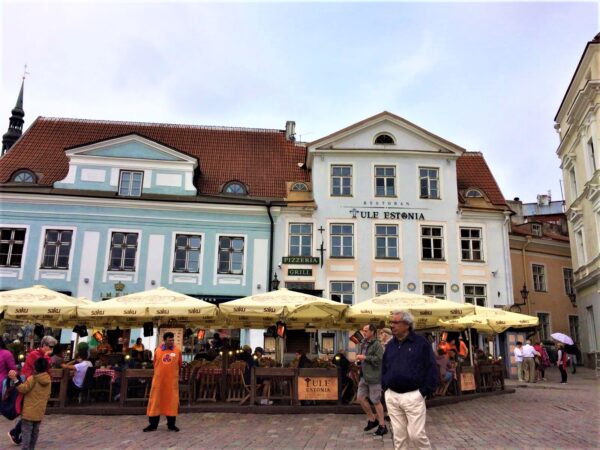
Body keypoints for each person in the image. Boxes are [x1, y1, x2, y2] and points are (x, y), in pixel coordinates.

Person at [382, 310, 438, 450]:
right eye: (391, 322)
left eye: (396, 322)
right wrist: (385, 386)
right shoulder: (390, 345)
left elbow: (431, 368)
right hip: (392, 396)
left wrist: (423, 392)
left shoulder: (421, 343)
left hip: (413, 396)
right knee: (399, 437)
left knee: (416, 435)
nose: (392, 325)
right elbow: (384, 367)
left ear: (407, 324)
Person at [8, 335, 56, 446]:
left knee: (31, 415)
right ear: (44, 345)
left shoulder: (42, 355)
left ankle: (18, 434)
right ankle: (17, 434)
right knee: (27, 414)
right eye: (50, 346)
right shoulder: (34, 354)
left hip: (37, 386)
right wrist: (47, 357)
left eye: (53, 347)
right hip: (30, 383)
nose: (51, 349)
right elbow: (42, 366)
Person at [8, 357, 51, 450]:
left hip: (28, 411)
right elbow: (48, 395)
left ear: (35, 367)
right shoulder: (48, 380)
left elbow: (23, 389)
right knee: (35, 432)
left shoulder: (33, 378)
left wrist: (15, 379)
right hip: (39, 411)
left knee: (26, 432)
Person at [144, 332, 182, 432]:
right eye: (170, 340)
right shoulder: (158, 350)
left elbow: (180, 364)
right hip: (159, 382)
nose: (172, 342)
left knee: (171, 403)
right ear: (164, 340)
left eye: (173, 340)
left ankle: (171, 425)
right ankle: (152, 425)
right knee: (156, 403)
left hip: (171, 382)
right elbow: (155, 363)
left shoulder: (177, 351)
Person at [356, 324, 386, 437]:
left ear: (372, 332)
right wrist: (360, 360)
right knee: (360, 398)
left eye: (366, 330)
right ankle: (372, 419)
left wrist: (365, 358)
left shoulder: (377, 344)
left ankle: (382, 426)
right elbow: (364, 357)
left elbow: (379, 360)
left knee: (376, 401)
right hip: (364, 376)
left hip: (374, 377)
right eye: (363, 330)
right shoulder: (364, 343)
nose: (364, 332)